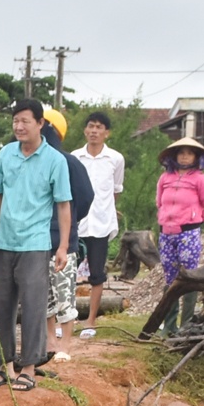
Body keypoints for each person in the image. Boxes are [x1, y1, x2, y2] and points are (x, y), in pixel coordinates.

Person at [0, 98, 71, 391]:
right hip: (4, 242)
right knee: (0, 306)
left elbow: (64, 205)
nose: (19, 126)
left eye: (25, 121)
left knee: (33, 307)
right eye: (15, 121)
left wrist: (62, 247)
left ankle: (29, 368)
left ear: (40, 124)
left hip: (35, 243)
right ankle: (4, 366)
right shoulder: (6, 154)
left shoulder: (56, 160)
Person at [137, 137, 204, 338]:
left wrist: (193, 221)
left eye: (189, 153)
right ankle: (169, 325)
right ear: (174, 156)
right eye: (181, 152)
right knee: (170, 278)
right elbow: (159, 202)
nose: (184, 156)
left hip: (188, 233)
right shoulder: (165, 178)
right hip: (166, 233)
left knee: (189, 277)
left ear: (196, 157)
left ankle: (187, 324)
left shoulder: (201, 179)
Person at [36, 108, 93, 349]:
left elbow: (85, 197)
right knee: (45, 295)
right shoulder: (28, 159)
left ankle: (64, 344)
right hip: (37, 239)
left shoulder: (68, 162)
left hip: (61, 239)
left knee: (63, 294)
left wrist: (67, 221)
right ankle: (50, 341)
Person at [72, 111, 125, 337]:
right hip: (76, 224)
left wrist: (107, 211)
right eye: (91, 126)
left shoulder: (115, 159)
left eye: (99, 127)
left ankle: (91, 321)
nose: (94, 131)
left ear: (107, 133)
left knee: (97, 274)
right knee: (67, 272)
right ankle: (67, 318)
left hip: (101, 224)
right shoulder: (74, 157)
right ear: (85, 130)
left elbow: (116, 191)